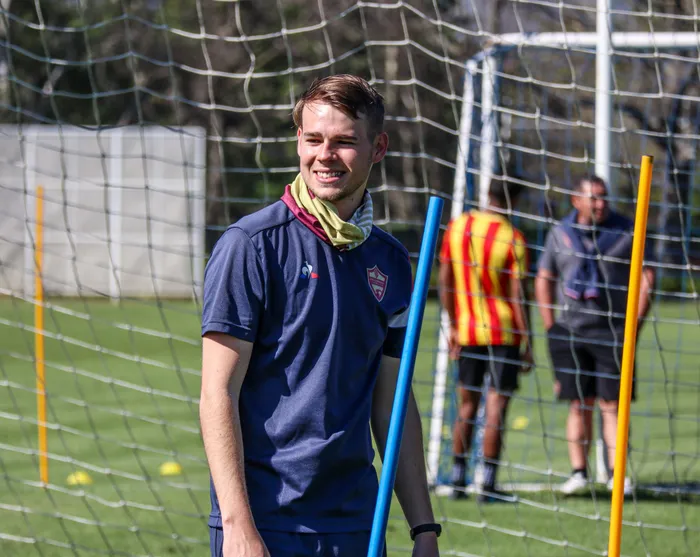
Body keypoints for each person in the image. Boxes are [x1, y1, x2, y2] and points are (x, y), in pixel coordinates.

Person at [200, 75, 440, 557]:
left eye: (344, 142)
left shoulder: (391, 261)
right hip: (267, 523)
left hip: (357, 524)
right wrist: (238, 527)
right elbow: (217, 393)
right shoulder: (250, 246)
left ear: (378, 148)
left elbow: (392, 401)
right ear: (298, 142)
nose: (324, 155)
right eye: (313, 140)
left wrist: (423, 528)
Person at [534, 175, 655, 495]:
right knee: (578, 403)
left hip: (612, 332)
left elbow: (647, 277)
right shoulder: (560, 233)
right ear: (576, 200)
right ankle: (578, 473)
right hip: (569, 332)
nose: (600, 204)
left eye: (604, 197)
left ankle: (617, 474)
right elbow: (544, 277)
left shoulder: (627, 231)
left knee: (612, 405)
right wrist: (550, 325)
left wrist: (633, 325)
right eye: (593, 198)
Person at [438, 179, 533, 502]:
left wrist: (453, 325)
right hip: (504, 333)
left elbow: (445, 278)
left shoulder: (459, 226)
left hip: (467, 331)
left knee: (467, 404)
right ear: (514, 201)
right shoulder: (513, 238)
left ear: (488, 194)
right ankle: (488, 485)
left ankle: (458, 479)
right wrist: (528, 341)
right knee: (496, 407)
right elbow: (518, 296)